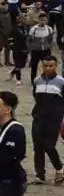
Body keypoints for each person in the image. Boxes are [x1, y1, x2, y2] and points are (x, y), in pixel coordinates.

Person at [30, 54, 64, 184]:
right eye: (45, 66)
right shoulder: (37, 81)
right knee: (37, 146)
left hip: (54, 119)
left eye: (51, 66)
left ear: (56, 66)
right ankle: (40, 175)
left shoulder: (61, 82)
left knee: (49, 145)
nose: (48, 68)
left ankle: (59, 168)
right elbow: (35, 96)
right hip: (39, 117)